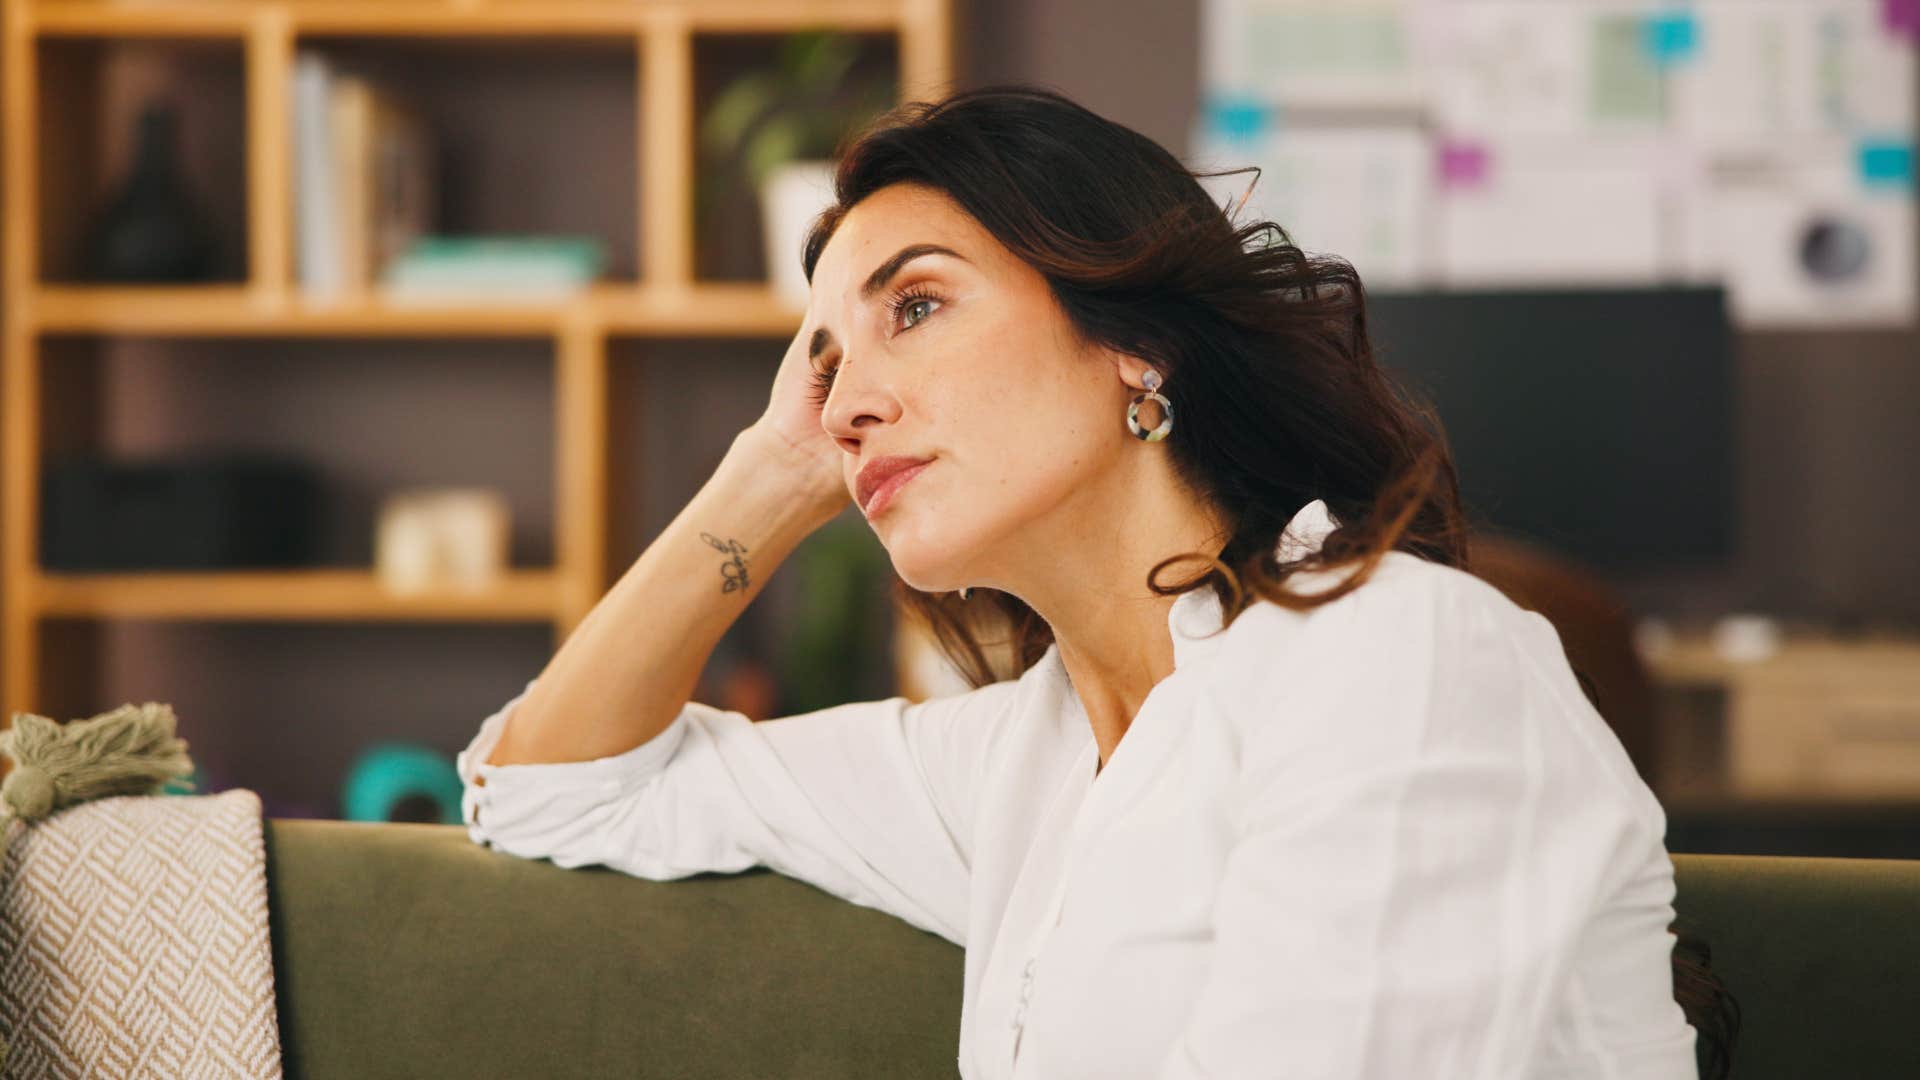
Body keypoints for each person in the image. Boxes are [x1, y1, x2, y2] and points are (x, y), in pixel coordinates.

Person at [457, 85, 1728, 1079]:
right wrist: (777, 466)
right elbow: (551, 792)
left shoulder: (1394, 658)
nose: (846, 402)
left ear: (1131, 338)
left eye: (914, 308)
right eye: (827, 360)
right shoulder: (1024, 762)